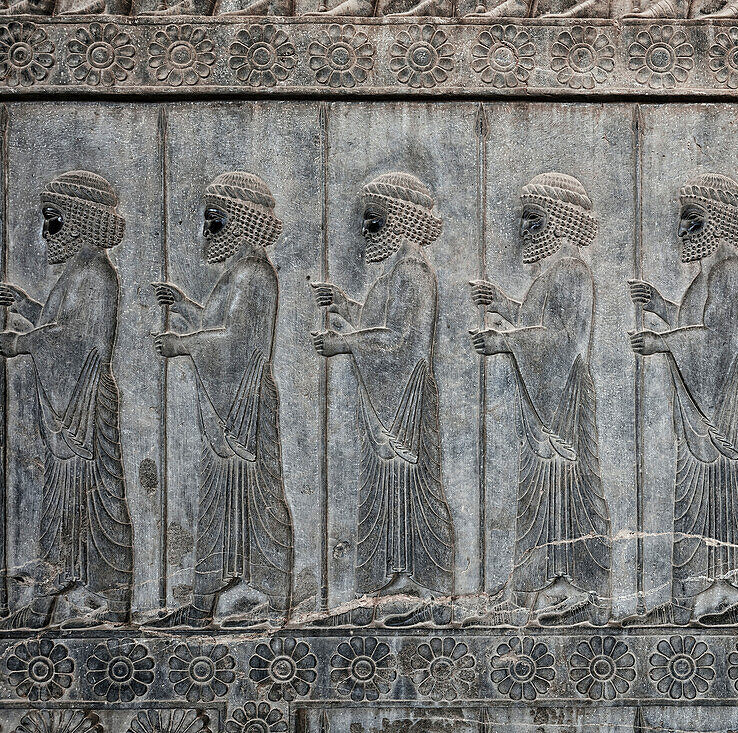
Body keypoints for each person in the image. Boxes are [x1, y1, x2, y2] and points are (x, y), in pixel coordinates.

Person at [149, 172, 293, 628]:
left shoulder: (253, 273)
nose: (205, 231)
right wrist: (188, 306)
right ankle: (205, 601)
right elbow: (217, 324)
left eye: (214, 220)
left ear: (240, 221)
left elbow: (234, 341)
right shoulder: (237, 273)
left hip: (244, 408)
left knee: (259, 498)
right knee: (216, 503)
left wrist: (184, 344)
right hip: (225, 407)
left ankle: (272, 598)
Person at [624, 174, 738, 626]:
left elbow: (721, 340)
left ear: (719, 219)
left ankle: (730, 592)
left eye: (692, 218)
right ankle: (699, 591)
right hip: (699, 403)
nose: (682, 230)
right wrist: (663, 308)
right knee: (695, 496)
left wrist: (664, 341)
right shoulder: (709, 273)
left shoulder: (728, 269)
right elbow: (697, 325)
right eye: (681, 219)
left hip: (720, 402)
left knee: (721, 494)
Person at [311, 173, 454, 627]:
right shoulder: (397, 271)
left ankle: (428, 586)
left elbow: (400, 339)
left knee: (413, 488)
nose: (365, 232)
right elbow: (379, 325)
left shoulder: (412, 271)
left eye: (373, 221)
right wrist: (347, 308)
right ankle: (397, 580)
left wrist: (344, 343)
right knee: (388, 490)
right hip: (388, 401)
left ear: (400, 219)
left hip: (405, 401)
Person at [469, 172, 610, 626]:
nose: (523, 229)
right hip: (547, 393)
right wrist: (503, 306)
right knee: (541, 488)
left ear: (560, 220)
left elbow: (560, 341)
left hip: (562, 393)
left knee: (565, 486)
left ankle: (571, 585)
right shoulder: (555, 271)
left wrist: (506, 341)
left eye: (533, 218)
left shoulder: (570, 270)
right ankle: (544, 582)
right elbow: (537, 322)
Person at [0, 171, 133, 629]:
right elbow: (59, 326)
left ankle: (105, 600)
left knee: (93, 502)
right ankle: (51, 603)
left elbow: (73, 339)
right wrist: (26, 308)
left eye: (52, 221)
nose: (43, 233)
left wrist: (20, 343)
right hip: (69, 409)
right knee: (64, 501)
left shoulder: (95, 273)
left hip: (84, 407)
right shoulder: (78, 273)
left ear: (79, 221)